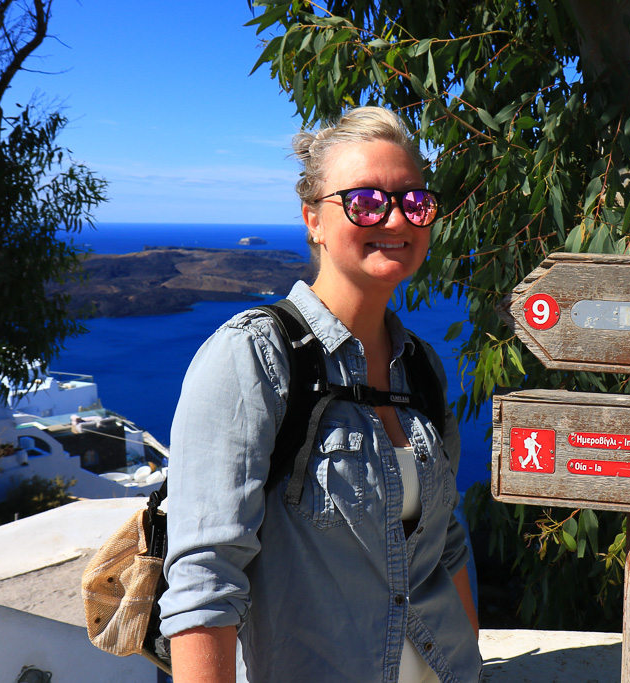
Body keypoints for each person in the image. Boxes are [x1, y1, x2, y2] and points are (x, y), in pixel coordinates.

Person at [159, 106, 482, 682]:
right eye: (364, 201)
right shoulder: (253, 357)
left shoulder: (422, 369)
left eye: (414, 200)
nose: (396, 219)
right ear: (313, 219)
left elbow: (446, 542)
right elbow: (206, 579)